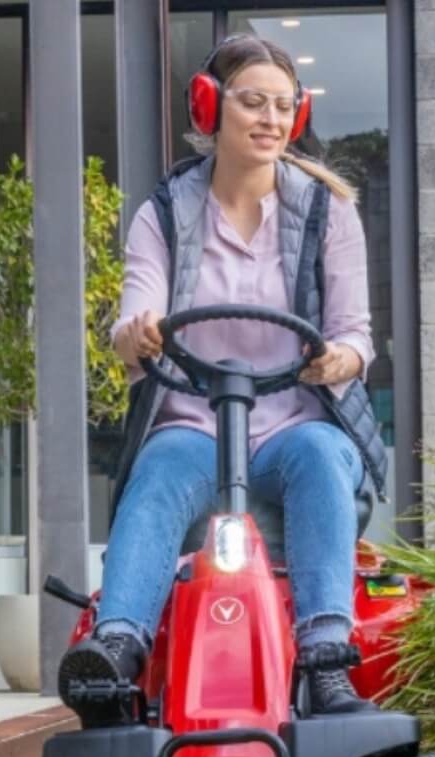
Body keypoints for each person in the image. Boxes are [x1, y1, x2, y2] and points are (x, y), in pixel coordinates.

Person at [58, 33, 388, 721]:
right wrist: (135, 334)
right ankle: (116, 653)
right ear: (210, 107)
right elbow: (132, 322)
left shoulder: (330, 214)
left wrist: (342, 358)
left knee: (324, 456)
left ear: (297, 118)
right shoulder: (165, 216)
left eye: (282, 106)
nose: (269, 119)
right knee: (157, 471)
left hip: (295, 425)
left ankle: (327, 660)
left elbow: (358, 335)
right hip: (193, 426)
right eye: (251, 102)